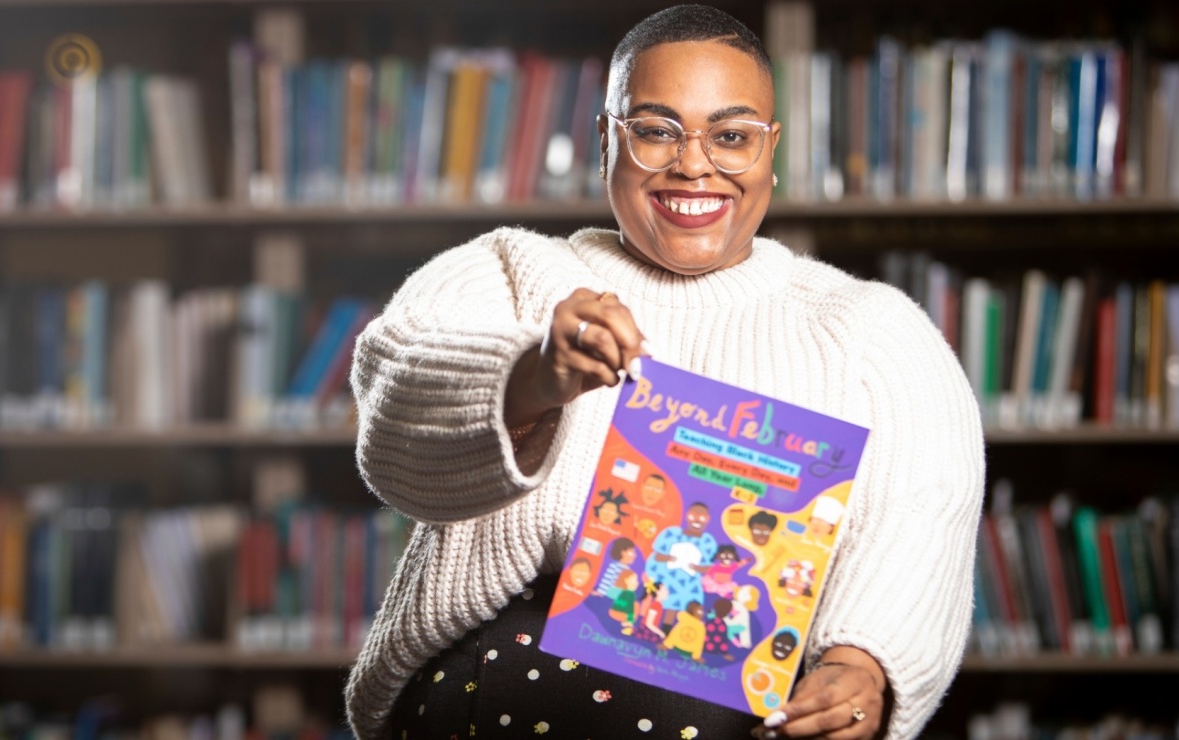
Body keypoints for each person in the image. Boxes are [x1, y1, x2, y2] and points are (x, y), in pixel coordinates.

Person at [346, 5, 984, 739]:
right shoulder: (510, 270)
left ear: (770, 149)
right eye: (656, 130)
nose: (694, 163)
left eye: (732, 136)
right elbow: (394, 421)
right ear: (605, 139)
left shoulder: (873, 330)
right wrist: (531, 376)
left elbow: (922, 519)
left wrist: (863, 667)